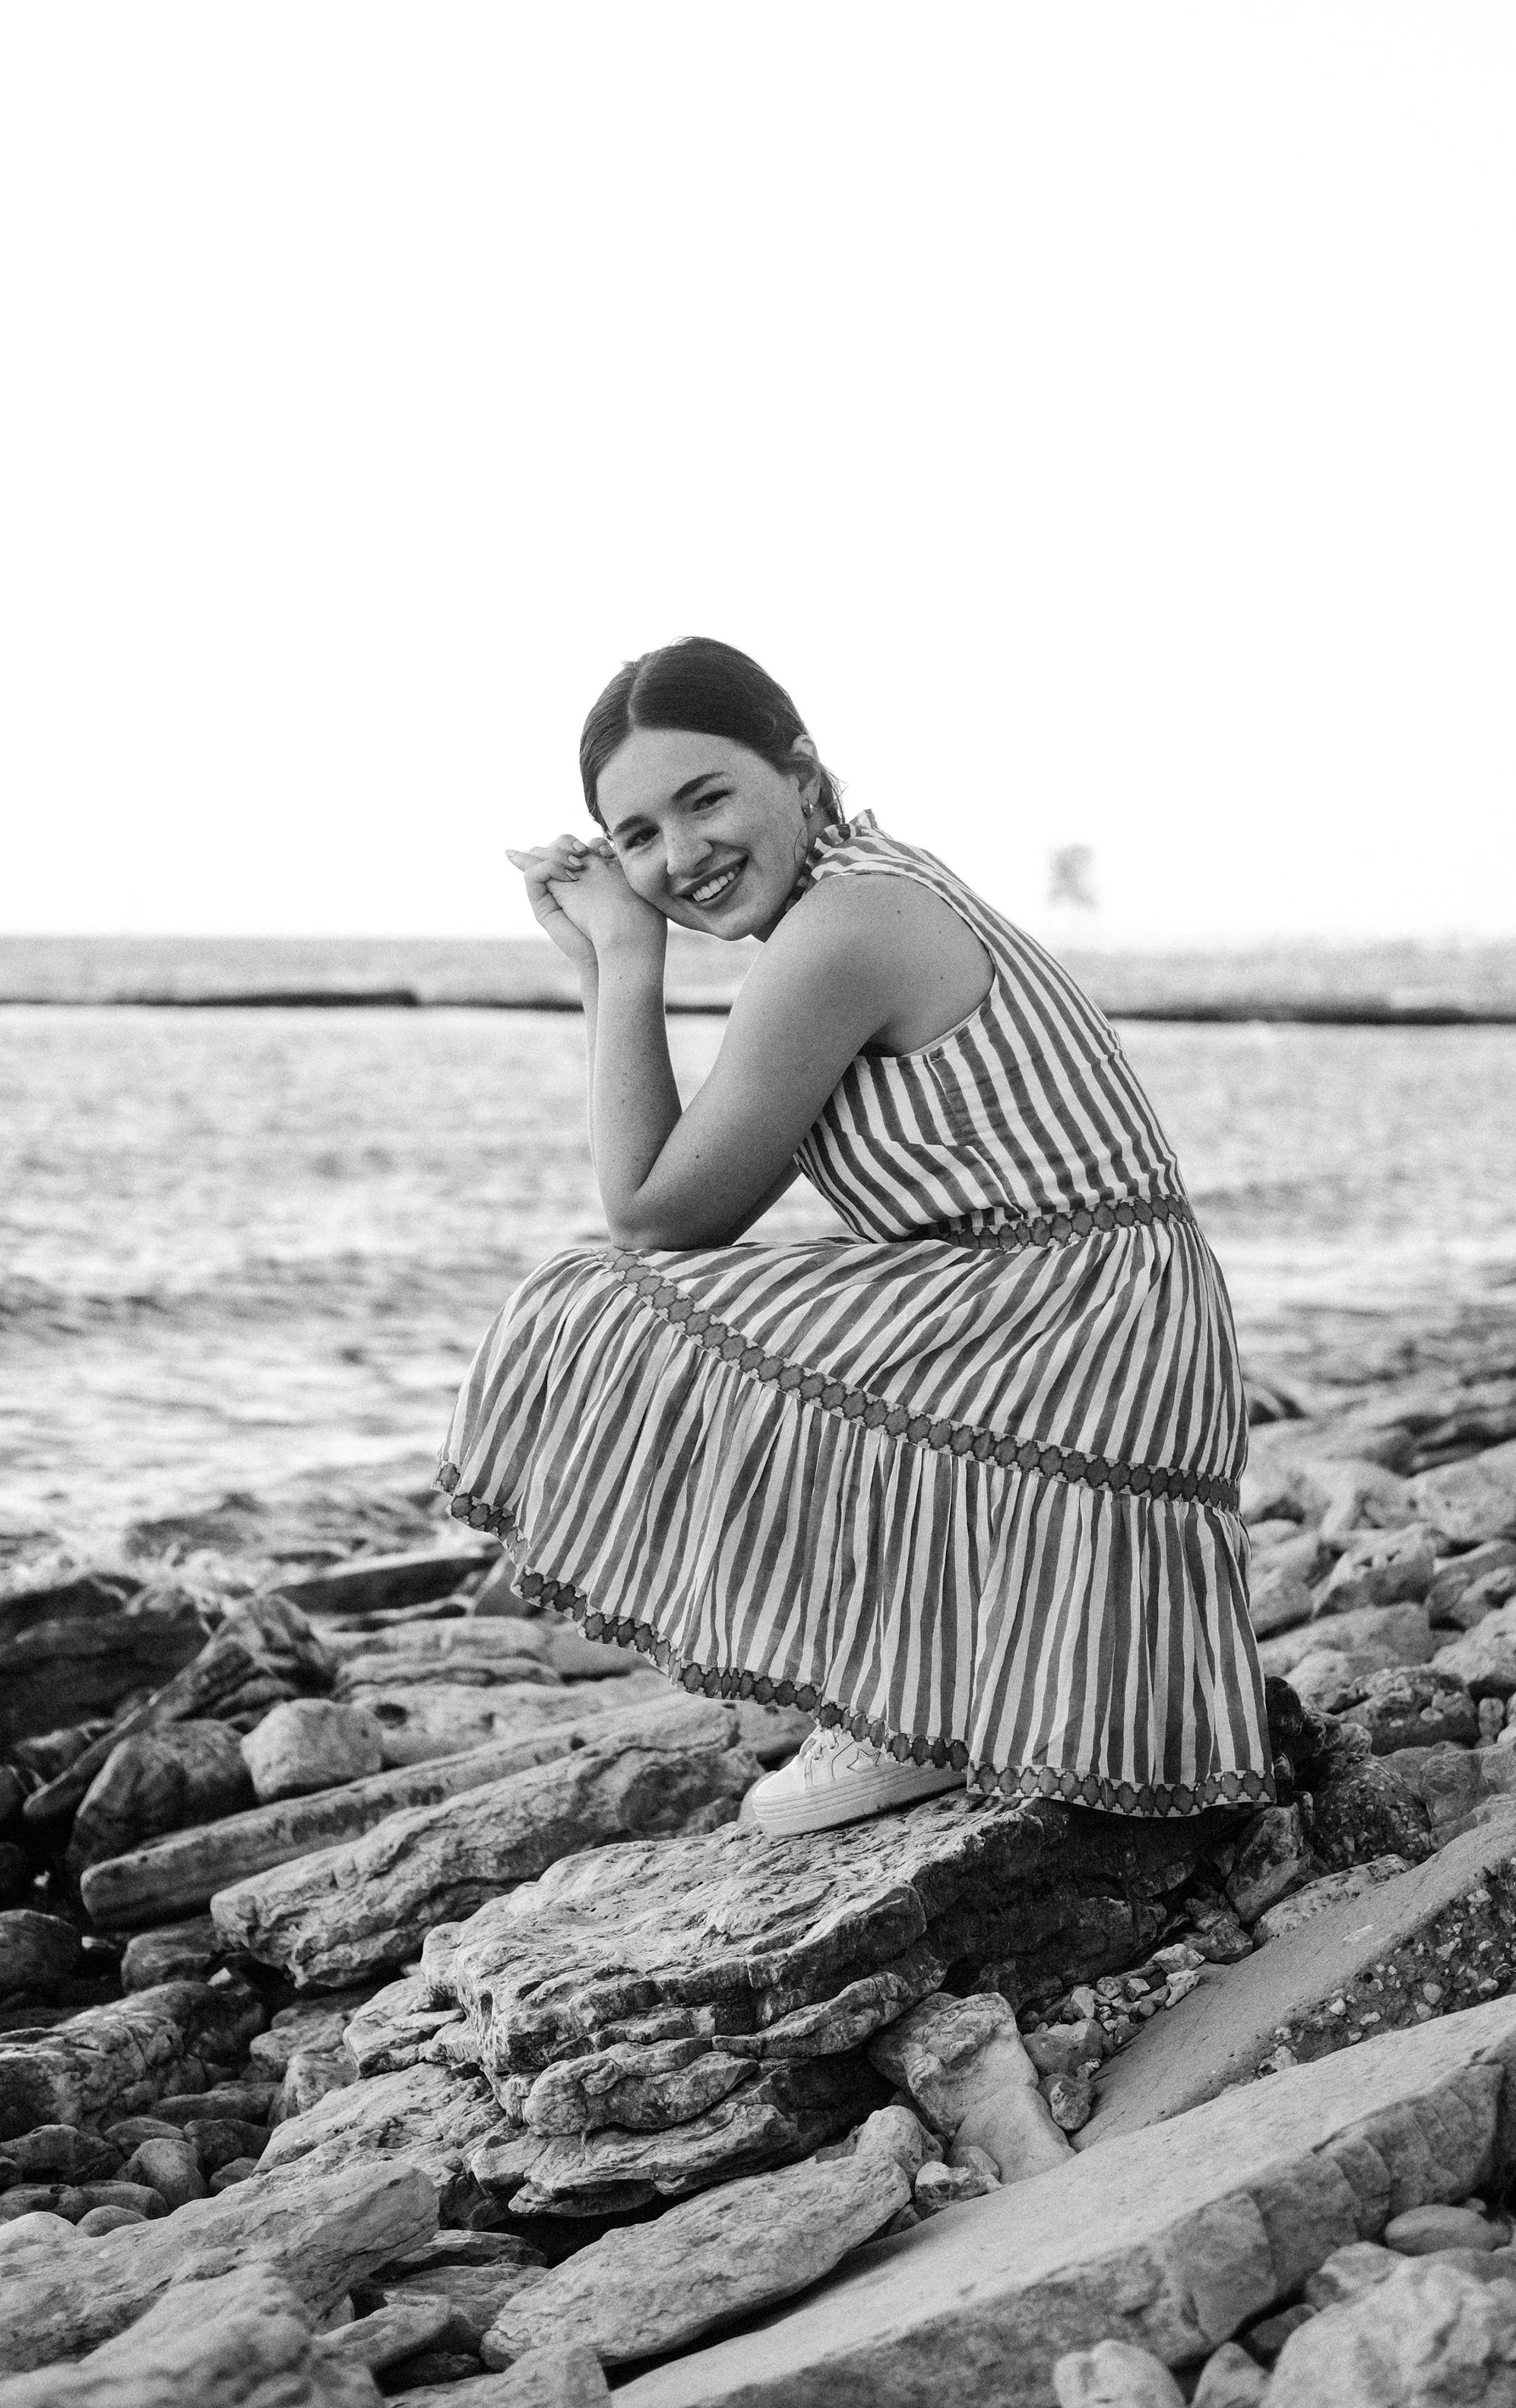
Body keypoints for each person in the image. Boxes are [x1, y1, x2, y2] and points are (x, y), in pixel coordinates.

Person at [435, 635, 1271, 1836]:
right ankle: (942, 1677)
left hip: (1079, 1322)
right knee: (699, 1303)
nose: (681, 856)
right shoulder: (866, 891)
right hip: (1103, 1316)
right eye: (637, 837)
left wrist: (623, 958)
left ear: (803, 773)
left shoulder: (846, 927)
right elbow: (693, 1205)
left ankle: (907, 1706)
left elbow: (661, 1219)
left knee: (589, 1305)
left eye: (706, 797)